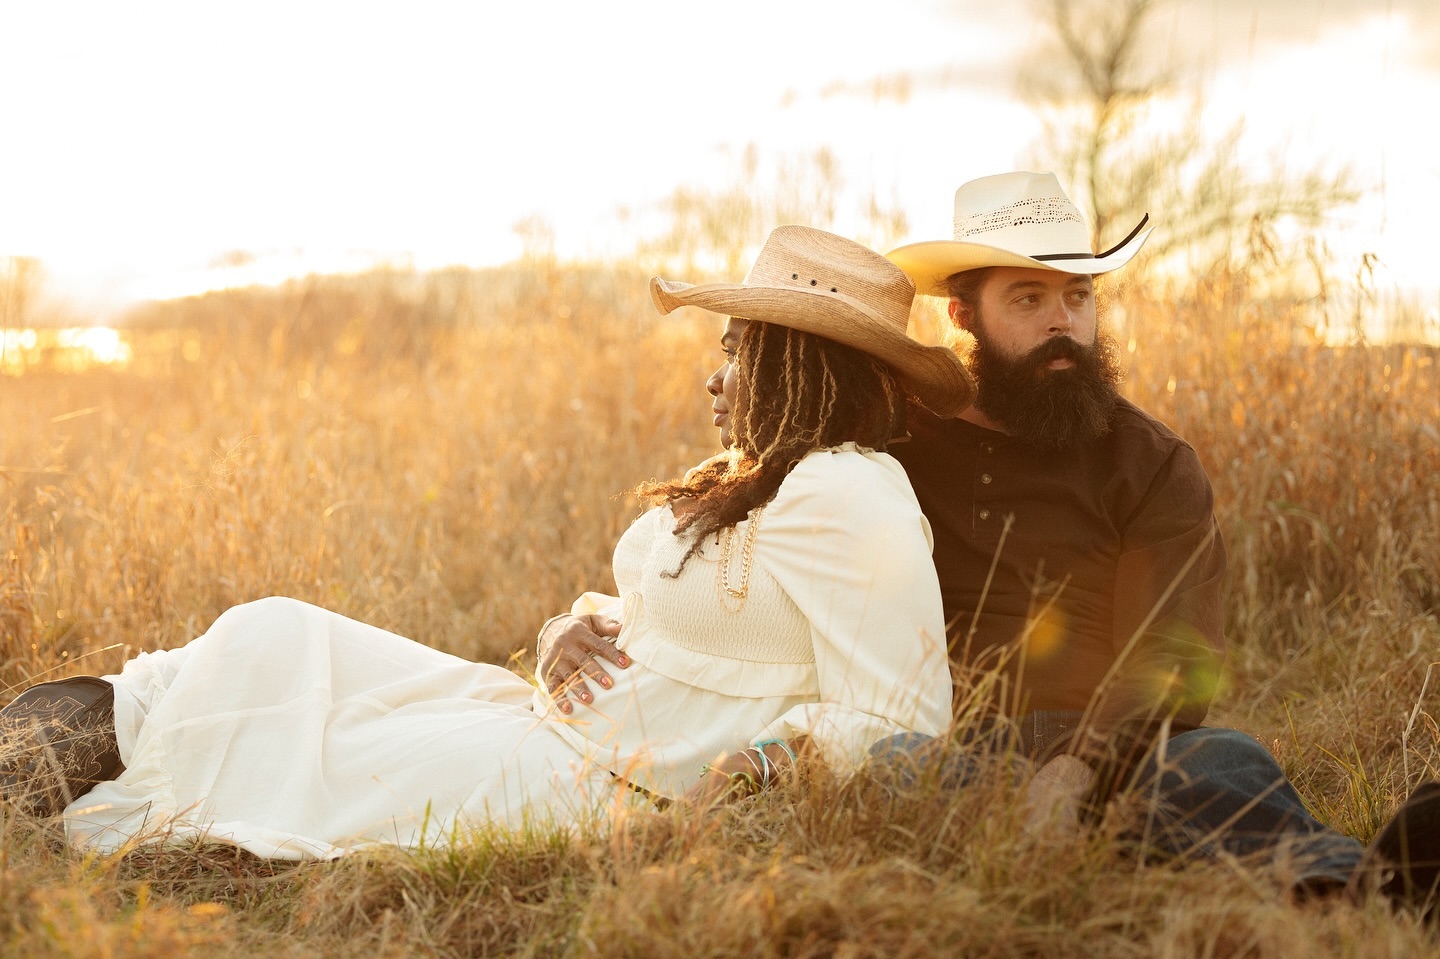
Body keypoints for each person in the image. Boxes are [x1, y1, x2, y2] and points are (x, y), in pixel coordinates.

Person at [541, 174, 1440, 913]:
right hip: (944, 745)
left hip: (1112, 744)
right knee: (888, 771)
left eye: (1078, 298)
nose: (1064, 322)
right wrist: (588, 620)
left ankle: (1366, 888)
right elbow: (735, 543)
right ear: (964, 316)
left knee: (1222, 762)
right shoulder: (888, 439)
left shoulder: (1154, 464)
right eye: (1029, 298)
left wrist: (1076, 772)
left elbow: (1173, 657)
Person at [0, 225, 972, 859]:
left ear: (797, 357)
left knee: (294, 744)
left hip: (598, 784)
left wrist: (761, 762)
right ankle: (23, 769)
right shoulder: (755, 476)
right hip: (550, 723)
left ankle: (35, 788)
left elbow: (904, 715)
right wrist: (566, 629)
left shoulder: (850, 491)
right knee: (274, 637)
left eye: (736, 349)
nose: (715, 377)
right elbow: (692, 620)